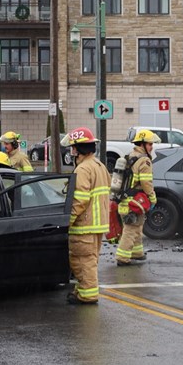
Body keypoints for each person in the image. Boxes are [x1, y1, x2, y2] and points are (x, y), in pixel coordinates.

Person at [60, 127, 111, 305]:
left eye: (73, 147)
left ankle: (87, 294)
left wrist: (68, 220)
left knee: (82, 260)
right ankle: (82, 290)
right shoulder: (99, 166)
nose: (71, 151)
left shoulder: (82, 169)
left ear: (77, 149)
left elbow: (79, 200)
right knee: (90, 260)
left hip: (84, 225)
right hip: (98, 224)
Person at [115, 128, 160, 266]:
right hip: (134, 202)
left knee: (137, 226)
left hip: (124, 200)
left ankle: (137, 253)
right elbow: (146, 183)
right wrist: (153, 198)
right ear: (141, 144)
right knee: (131, 229)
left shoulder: (129, 156)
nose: (151, 147)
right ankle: (122, 257)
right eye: (149, 144)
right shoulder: (144, 161)